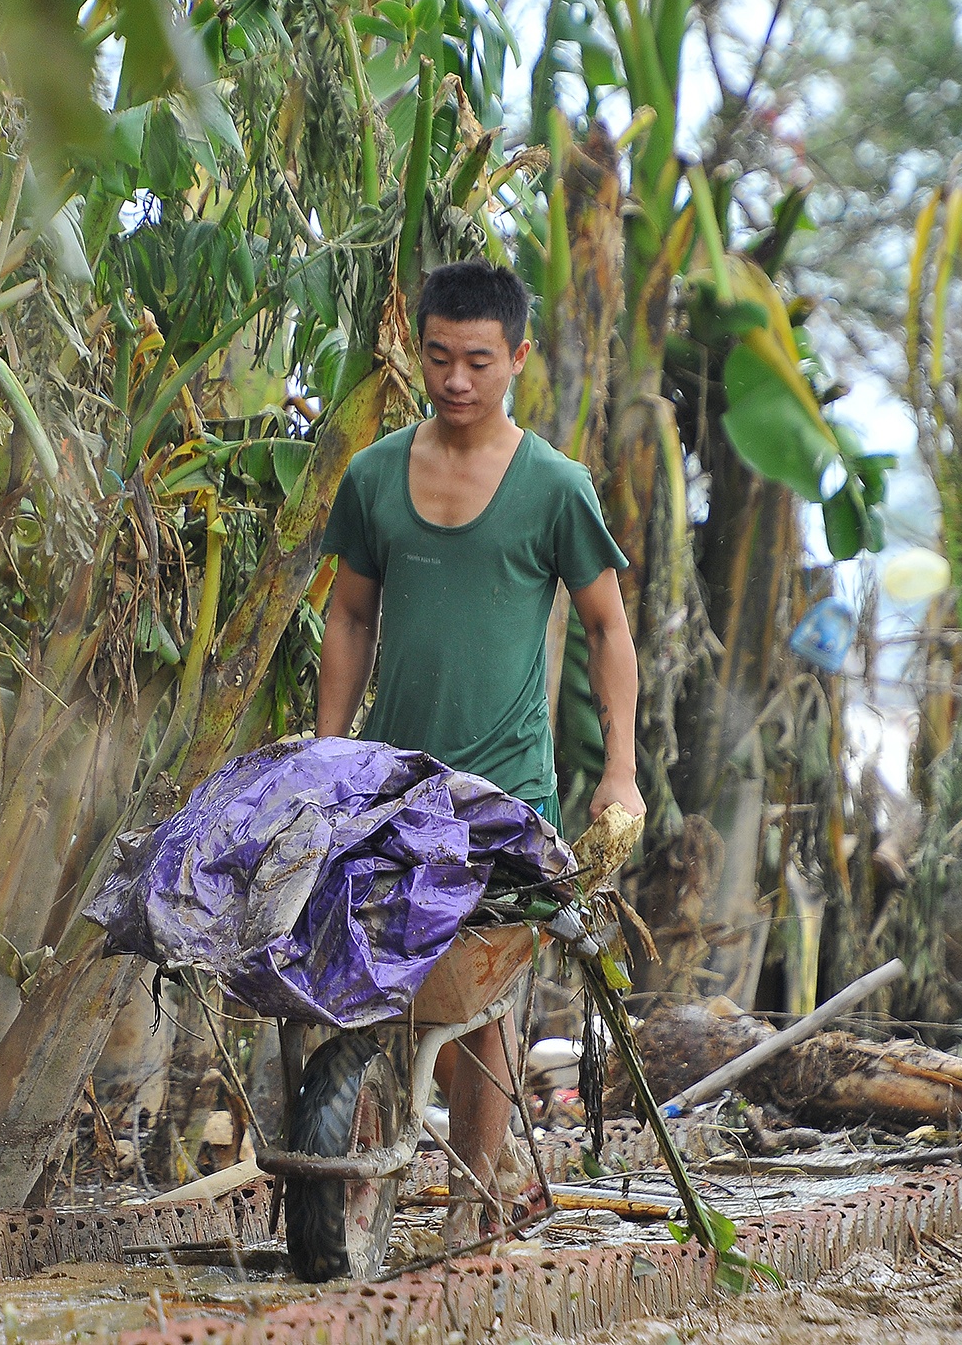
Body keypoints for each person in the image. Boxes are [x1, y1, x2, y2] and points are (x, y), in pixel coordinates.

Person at [314, 259, 645, 1239]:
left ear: (517, 360)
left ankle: (472, 1202)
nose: (455, 380)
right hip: (388, 782)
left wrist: (617, 770)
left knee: (483, 995)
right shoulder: (374, 475)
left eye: (477, 361)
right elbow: (346, 614)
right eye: (437, 356)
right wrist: (327, 750)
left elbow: (605, 629)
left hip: (504, 789)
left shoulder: (551, 487)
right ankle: (356, 1186)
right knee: (370, 977)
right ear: (416, 348)